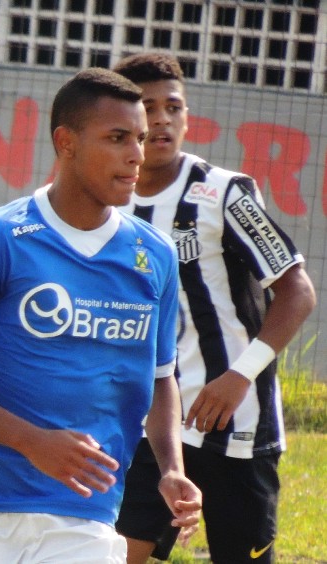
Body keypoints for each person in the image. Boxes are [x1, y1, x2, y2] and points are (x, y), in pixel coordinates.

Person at [0, 67, 202, 563]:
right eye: (117, 138)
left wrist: (171, 467)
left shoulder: (155, 256)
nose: (137, 155)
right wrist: (32, 442)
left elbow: (159, 376)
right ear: (66, 142)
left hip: (85, 510)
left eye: (141, 139)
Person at [112, 53, 316, 564]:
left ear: (187, 116)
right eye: (146, 107)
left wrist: (238, 375)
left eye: (172, 107)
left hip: (234, 421)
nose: (160, 119)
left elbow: (297, 290)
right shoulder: (109, 202)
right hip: (148, 422)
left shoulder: (223, 192)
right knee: (116, 553)